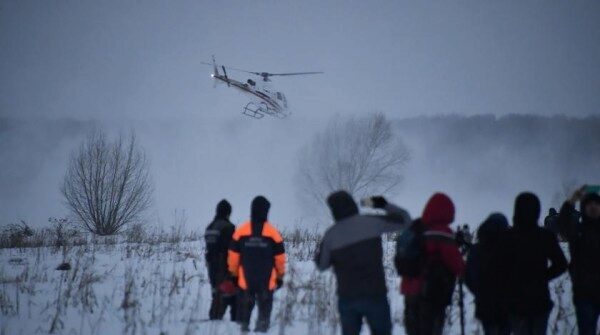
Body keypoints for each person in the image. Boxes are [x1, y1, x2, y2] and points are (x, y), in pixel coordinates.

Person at [314, 191, 411, 335]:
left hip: (348, 297)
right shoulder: (372, 221)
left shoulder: (330, 235)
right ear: (352, 204)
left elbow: (322, 265)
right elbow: (405, 221)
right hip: (375, 294)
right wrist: (382, 204)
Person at [400, 192, 465, 335]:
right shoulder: (442, 233)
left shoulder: (415, 228)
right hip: (430, 294)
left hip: (409, 291)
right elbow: (457, 265)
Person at [503, 192, 567, 335]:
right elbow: (561, 264)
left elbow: (497, 267)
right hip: (539, 299)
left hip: (516, 301)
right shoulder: (544, 236)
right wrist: (544, 276)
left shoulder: (507, 237)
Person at [228, 196, 285, 333]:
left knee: (243, 321)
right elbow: (280, 259)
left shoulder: (240, 231)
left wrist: (234, 275)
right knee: (263, 319)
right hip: (267, 282)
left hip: (244, 281)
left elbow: (233, 257)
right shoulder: (274, 233)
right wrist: (280, 276)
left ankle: (243, 329)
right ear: (266, 211)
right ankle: (261, 330)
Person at [556, 187, 600, 335]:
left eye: (597, 204)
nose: (593, 207)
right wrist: (571, 200)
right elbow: (562, 222)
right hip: (584, 292)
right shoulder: (577, 231)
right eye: (589, 204)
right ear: (583, 208)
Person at [465, 213, 511, 335]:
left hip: (485, 305)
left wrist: (479, 292)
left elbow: (468, 276)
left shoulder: (476, 249)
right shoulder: (511, 248)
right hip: (507, 305)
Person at [204, 199, 237, 321]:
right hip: (224, 266)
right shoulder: (228, 227)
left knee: (216, 291)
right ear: (228, 213)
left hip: (211, 265)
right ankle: (220, 320)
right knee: (229, 294)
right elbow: (233, 249)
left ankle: (215, 316)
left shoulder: (210, 227)